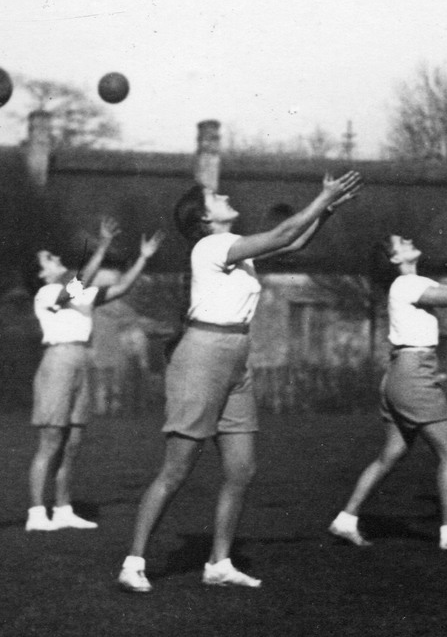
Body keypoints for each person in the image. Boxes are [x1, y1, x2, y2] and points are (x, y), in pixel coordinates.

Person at [119, 171, 363, 593]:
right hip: (202, 356)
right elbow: (285, 229)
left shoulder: (235, 249)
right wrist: (322, 197)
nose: (226, 195)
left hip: (235, 358)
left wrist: (325, 211)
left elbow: (292, 241)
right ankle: (132, 563)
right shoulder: (212, 245)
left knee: (241, 468)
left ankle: (219, 563)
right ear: (205, 220)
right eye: (216, 196)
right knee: (177, 469)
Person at [328, 227, 447, 551]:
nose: (410, 240)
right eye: (401, 242)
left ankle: (345, 519)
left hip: (403, 372)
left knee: (391, 455)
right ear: (395, 258)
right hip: (413, 374)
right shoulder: (407, 283)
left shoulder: (414, 283)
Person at [26, 218, 163, 532]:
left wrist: (143, 257)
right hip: (58, 361)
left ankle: (62, 509)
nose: (56, 260)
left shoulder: (81, 293)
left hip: (82, 361)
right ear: (41, 273)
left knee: (72, 442)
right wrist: (101, 246)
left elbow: (122, 287)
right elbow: (78, 282)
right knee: (50, 442)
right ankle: (36, 513)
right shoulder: (47, 293)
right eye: (49, 259)